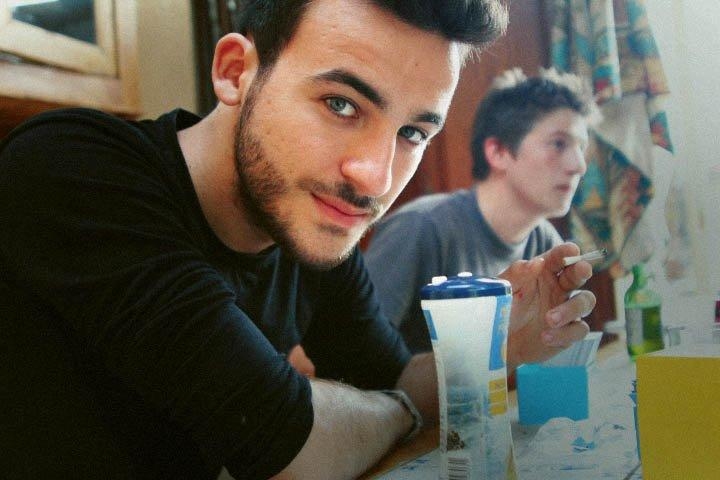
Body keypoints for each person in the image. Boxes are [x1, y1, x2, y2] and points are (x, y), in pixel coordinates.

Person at [0, 1, 595, 479]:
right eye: (341, 104)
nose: (375, 178)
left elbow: (390, 374)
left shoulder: (308, 227)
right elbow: (288, 447)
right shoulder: (71, 168)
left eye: (412, 132)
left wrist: (494, 352)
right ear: (235, 72)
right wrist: (401, 411)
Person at [365, 67, 601, 353]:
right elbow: (343, 358)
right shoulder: (420, 228)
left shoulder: (545, 242)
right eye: (559, 143)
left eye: (581, 147)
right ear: (498, 152)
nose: (579, 166)